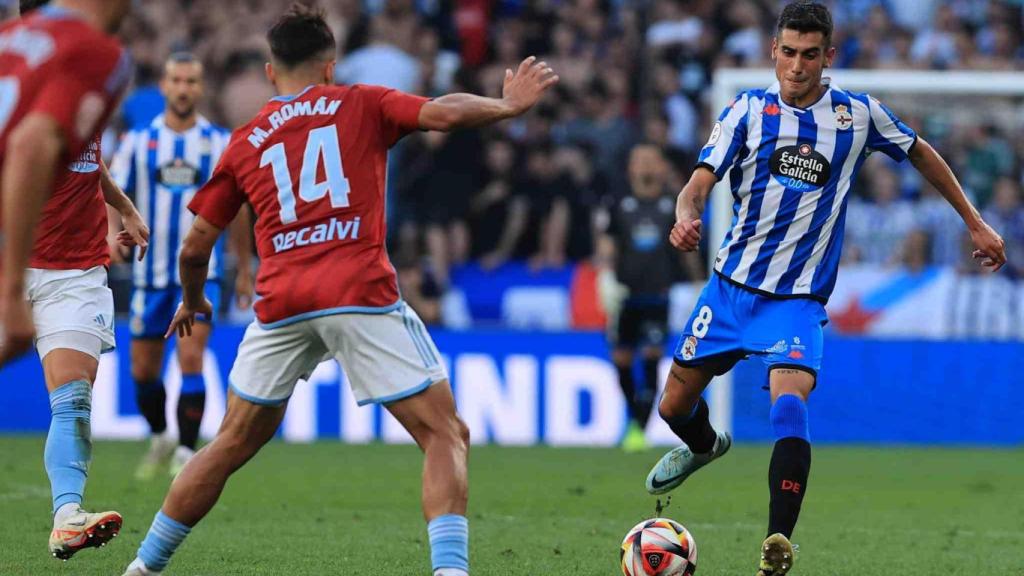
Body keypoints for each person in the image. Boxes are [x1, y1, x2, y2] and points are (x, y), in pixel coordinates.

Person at [121, 4, 558, 575]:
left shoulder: (247, 139)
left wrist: (194, 298)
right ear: (330, 67)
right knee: (445, 433)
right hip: (356, 290)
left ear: (272, 72)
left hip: (280, 304)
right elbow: (443, 115)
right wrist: (506, 104)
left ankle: (142, 568)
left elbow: (193, 246)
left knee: (227, 445)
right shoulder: (361, 101)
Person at [643, 3, 1006, 575]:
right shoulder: (746, 112)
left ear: (828, 56)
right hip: (729, 292)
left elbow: (920, 153)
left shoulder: (856, 116)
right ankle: (707, 446)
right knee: (672, 407)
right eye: (788, 53)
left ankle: (776, 543)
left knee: (790, 403)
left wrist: (975, 222)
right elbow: (698, 182)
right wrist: (685, 214)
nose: (797, 66)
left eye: (810, 55)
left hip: (796, 301)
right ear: (773, 51)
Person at [0, 0, 139, 561]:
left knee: (73, 400)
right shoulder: (97, 54)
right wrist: (11, 287)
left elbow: (73, 145)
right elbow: (34, 145)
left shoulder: (21, 47)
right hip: (14, 259)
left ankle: (66, 515)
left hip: (75, 268)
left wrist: (122, 205)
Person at [110, 52, 253, 480]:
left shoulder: (220, 142)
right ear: (165, 86)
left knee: (192, 358)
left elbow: (240, 210)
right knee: (143, 371)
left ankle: (187, 451)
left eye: (192, 80)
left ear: (201, 88)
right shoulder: (138, 141)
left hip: (200, 274)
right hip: (148, 275)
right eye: (177, 80)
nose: (185, 88)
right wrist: (108, 233)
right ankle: (160, 435)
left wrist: (243, 267)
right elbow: (114, 193)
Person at [597, 144, 703, 452]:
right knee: (622, 361)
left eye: (649, 160)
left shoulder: (673, 204)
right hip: (626, 294)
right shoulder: (618, 203)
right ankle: (635, 418)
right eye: (638, 160)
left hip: (658, 294)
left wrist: (698, 286)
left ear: (661, 167)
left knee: (653, 357)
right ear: (630, 167)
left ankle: (638, 428)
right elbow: (608, 243)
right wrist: (605, 276)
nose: (643, 166)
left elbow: (688, 249)